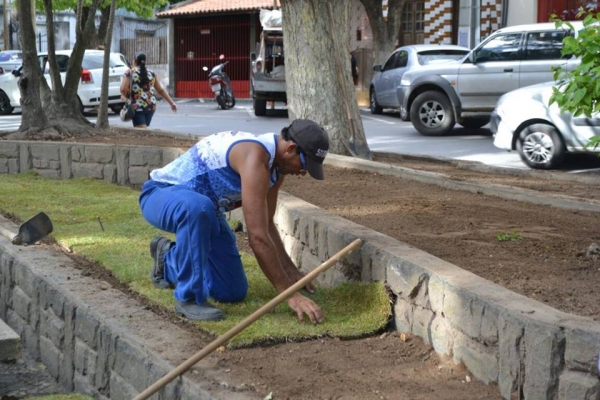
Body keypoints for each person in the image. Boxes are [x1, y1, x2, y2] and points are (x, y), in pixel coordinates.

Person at [139, 119, 330, 323]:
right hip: (161, 193)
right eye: (304, 164)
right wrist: (289, 295)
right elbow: (256, 236)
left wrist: (291, 274)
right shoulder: (255, 156)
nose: (303, 172)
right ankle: (189, 298)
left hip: (206, 212)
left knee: (231, 291)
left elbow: (265, 225)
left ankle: (167, 260)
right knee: (197, 207)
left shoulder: (275, 170)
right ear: (291, 148)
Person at [120, 52, 177, 128]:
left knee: (142, 131)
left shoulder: (130, 72)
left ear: (134, 61)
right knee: (143, 129)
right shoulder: (151, 73)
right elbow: (160, 90)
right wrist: (171, 103)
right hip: (151, 106)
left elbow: (123, 89)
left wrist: (126, 97)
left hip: (137, 106)